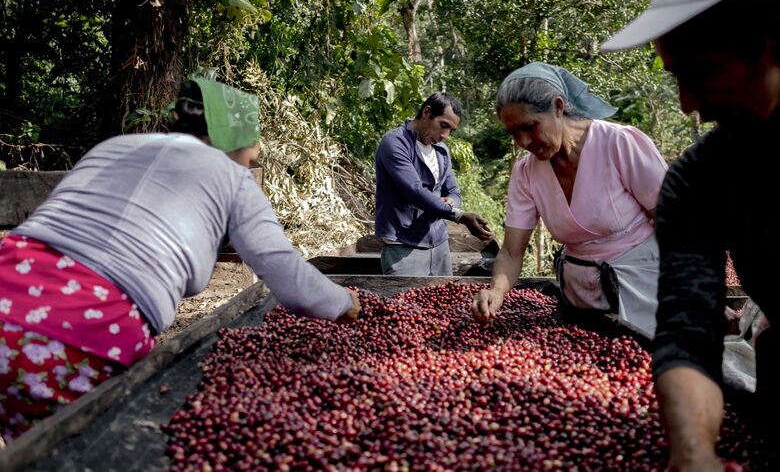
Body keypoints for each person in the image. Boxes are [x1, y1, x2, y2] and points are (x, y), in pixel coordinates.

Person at [0, 78, 360, 440]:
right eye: (252, 153)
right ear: (232, 139)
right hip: (82, 328)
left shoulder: (114, 146)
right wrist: (343, 302)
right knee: (78, 452)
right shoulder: (233, 178)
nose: (252, 161)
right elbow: (286, 272)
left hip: (8, 283)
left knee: (28, 450)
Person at [601, 0, 780, 468]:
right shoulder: (699, 181)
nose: (688, 101)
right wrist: (692, 449)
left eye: (702, 70)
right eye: (676, 77)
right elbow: (690, 330)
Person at [471, 62, 668, 338]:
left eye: (529, 127)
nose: (523, 142)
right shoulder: (526, 172)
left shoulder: (619, 143)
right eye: (513, 133)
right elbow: (512, 252)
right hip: (581, 298)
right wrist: (496, 291)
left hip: (645, 289)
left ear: (559, 107)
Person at [375, 92, 493, 276]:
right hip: (404, 246)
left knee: (442, 303)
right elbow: (414, 191)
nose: (445, 135)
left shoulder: (441, 151)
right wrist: (459, 215)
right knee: (404, 304)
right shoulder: (395, 143)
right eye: (443, 125)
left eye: (451, 130)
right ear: (427, 112)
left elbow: (454, 192)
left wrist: (451, 203)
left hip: (439, 245)